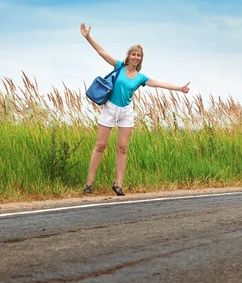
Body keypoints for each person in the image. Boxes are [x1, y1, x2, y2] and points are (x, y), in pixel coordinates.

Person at [80, 23, 190, 196]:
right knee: (100, 145)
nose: (136, 57)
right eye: (134, 54)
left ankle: (118, 184)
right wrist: (88, 37)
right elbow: (102, 52)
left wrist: (180, 88)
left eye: (139, 55)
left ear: (141, 59)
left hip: (126, 112)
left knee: (122, 148)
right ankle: (89, 183)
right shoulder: (119, 67)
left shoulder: (141, 78)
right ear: (128, 56)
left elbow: (161, 84)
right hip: (110, 109)